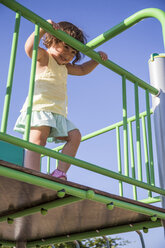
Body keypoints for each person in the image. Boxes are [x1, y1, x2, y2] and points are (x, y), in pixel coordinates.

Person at [14, 20, 108, 180]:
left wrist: (96, 60)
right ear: (52, 40)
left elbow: (83, 69)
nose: (68, 54)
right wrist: (42, 28)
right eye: (65, 47)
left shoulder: (65, 67)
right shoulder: (45, 58)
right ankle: (32, 174)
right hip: (40, 109)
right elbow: (30, 49)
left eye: (73, 52)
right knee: (37, 141)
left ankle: (60, 172)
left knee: (75, 136)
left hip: (58, 114)